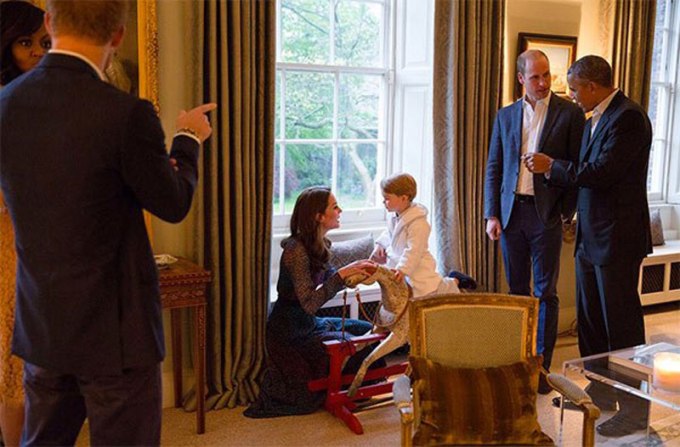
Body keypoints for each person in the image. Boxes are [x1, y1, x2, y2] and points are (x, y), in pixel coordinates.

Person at [0, 0, 216, 445]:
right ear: (117, 35)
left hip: (43, 326)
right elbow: (173, 202)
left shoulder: (5, 105)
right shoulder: (126, 114)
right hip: (117, 337)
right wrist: (188, 138)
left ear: (49, 22)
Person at [524, 55, 652, 436]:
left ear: (593, 86)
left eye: (576, 89)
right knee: (592, 326)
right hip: (591, 237)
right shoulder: (595, 117)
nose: (573, 96)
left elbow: (601, 174)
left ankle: (634, 411)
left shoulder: (628, 117)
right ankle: (599, 395)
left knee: (622, 329)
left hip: (617, 238)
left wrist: (552, 167)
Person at [484, 49, 585, 393]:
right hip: (511, 214)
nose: (544, 83)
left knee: (545, 293)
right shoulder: (505, 115)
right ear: (521, 79)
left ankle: (541, 367)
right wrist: (491, 213)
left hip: (547, 215)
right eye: (536, 77)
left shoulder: (570, 114)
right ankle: (518, 358)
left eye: (547, 76)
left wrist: (564, 211)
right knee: (516, 292)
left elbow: (576, 167)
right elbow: (494, 166)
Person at [244, 186, 377, 418]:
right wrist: (340, 277)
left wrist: (357, 271)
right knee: (347, 343)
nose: (340, 210)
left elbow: (331, 278)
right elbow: (310, 303)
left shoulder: (321, 244)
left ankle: (354, 390)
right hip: (289, 332)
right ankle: (342, 391)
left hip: (308, 322)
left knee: (367, 330)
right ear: (318, 216)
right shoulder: (296, 251)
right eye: (335, 207)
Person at [0, 2, 50, 445]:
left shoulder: (46, 100)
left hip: (42, 241)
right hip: (8, 243)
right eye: (25, 41)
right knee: (13, 367)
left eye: (43, 42)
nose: (37, 51)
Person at [371, 173, 475, 297]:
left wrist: (402, 269)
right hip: (398, 262)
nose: (383, 201)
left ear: (404, 198)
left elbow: (414, 249)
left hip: (417, 265)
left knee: (431, 290)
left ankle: (455, 280)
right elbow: (389, 234)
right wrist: (380, 245)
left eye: (387, 198)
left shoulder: (418, 223)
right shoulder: (393, 216)